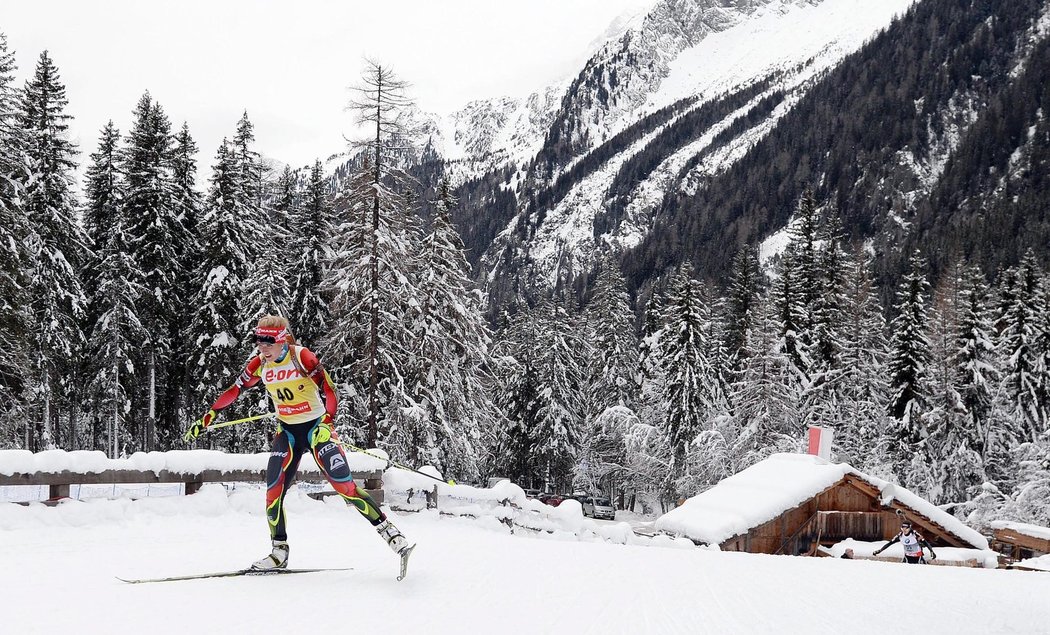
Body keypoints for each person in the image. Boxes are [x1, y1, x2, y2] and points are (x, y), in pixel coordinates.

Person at [184, 315, 411, 570]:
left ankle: (391, 534)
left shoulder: (301, 357)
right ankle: (279, 551)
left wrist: (327, 422)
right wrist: (209, 415)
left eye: (269, 341)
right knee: (272, 492)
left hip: (316, 429)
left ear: (282, 340)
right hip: (288, 433)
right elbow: (235, 390)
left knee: (344, 486)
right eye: (259, 340)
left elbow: (328, 390)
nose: (263, 347)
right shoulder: (259, 364)